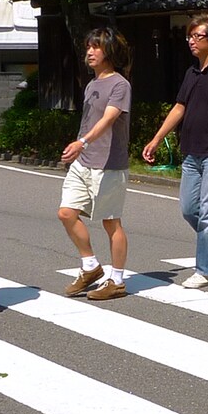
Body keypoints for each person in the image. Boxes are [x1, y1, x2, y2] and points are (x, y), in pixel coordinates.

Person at [142, 13, 208, 288]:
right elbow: (179, 108)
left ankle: (206, 270)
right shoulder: (192, 72)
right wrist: (156, 139)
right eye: (190, 36)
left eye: (197, 36)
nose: (191, 41)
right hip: (192, 152)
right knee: (189, 209)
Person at [59, 27, 133, 301]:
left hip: (109, 164)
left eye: (96, 47)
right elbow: (89, 122)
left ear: (109, 51)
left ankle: (117, 280)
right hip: (84, 161)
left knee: (111, 223)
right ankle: (90, 266)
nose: (89, 52)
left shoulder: (119, 84)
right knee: (66, 213)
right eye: (88, 46)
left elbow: (108, 119)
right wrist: (79, 148)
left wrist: (83, 143)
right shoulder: (91, 85)